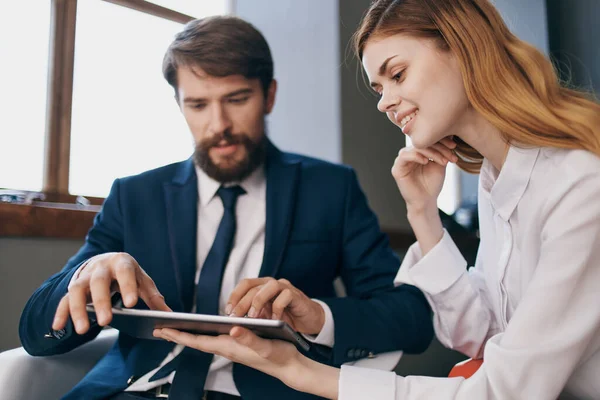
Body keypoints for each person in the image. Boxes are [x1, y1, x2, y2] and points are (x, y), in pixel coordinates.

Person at [153, 0, 600, 399]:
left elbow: (505, 389)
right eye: (378, 88)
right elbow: (480, 336)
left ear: (463, 48)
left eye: (397, 74)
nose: (384, 102)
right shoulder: (493, 177)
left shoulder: (581, 184)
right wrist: (423, 213)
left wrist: (301, 371)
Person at [18, 15, 434, 400]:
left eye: (236, 99)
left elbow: (410, 319)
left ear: (268, 95)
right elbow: (35, 334)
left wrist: (317, 316)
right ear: (179, 105)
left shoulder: (330, 189)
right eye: (198, 105)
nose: (218, 125)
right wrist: (85, 277)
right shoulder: (134, 195)